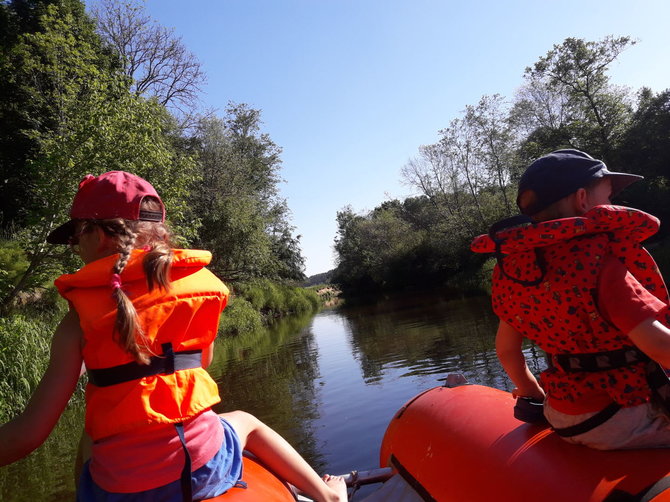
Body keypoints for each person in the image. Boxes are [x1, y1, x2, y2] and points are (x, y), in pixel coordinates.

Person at [0, 171, 346, 501]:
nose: (75, 248)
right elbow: (201, 364)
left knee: (91, 438)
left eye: (76, 237)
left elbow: (27, 436)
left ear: (99, 235)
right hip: (206, 466)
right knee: (245, 422)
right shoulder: (194, 291)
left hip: (124, 491)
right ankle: (328, 495)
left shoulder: (78, 319)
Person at [471, 149, 670, 450]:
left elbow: (506, 351)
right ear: (582, 199)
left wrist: (531, 391)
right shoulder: (600, 264)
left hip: (560, 414)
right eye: (609, 196)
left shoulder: (517, 270)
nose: (612, 204)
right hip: (623, 416)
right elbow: (659, 347)